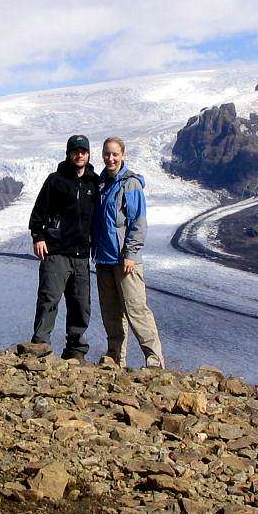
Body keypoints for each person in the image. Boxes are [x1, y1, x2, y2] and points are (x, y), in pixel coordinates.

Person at [92, 136, 164, 368]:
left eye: (115, 154)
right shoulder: (100, 183)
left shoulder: (130, 184)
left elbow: (138, 222)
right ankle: (115, 358)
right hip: (104, 259)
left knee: (136, 310)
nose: (110, 158)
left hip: (125, 260)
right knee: (111, 313)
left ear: (123, 155)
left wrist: (131, 254)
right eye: (107, 154)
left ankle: (154, 360)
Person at [28, 135, 99, 360]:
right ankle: (40, 346)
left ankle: (75, 351)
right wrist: (38, 236)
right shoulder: (55, 180)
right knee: (49, 299)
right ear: (68, 154)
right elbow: (39, 210)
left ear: (88, 154)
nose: (79, 155)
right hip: (56, 251)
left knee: (80, 303)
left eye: (83, 151)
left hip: (81, 255)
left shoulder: (94, 182)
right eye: (75, 151)